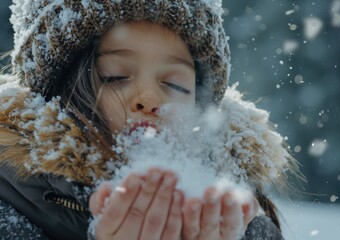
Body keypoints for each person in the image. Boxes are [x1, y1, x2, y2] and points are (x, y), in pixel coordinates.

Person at [0, 0, 301, 239]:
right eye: (114, 77)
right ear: (55, 92)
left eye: (175, 85)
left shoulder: (241, 223)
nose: (150, 99)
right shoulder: (9, 213)